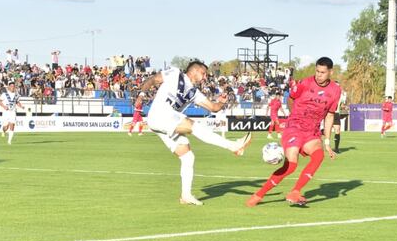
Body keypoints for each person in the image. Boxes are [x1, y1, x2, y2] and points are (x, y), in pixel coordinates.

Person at [141, 60, 252, 206]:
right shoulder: (175, 74)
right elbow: (153, 79)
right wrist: (142, 94)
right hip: (159, 115)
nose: (205, 77)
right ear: (194, 71)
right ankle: (233, 146)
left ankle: (185, 196)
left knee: (188, 157)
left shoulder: (194, 92)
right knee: (193, 125)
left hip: (167, 121)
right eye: (203, 73)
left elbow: (213, 107)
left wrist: (221, 102)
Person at [246, 57, 341, 207]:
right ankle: (259, 194)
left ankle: (295, 191)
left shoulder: (336, 90)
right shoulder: (305, 83)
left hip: (312, 131)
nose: (319, 75)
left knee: (319, 155)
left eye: (322, 72)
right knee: (291, 166)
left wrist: (327, 142)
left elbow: (329, 115)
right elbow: (290, 99)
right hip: (294, 127)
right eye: (317, 71)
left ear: (330, 72)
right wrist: (294, 116)